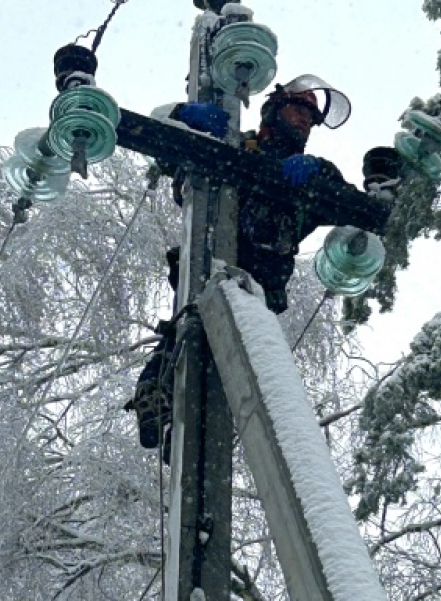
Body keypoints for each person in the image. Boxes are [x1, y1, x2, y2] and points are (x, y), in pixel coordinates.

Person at [127, 74, 356, 457]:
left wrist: (319, 173)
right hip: (207, 262)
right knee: (189, 329)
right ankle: (161, 395)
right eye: (298, 109)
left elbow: (351, 204)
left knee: (234, 358)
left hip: (257, 285)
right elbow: (158, 132)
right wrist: (184, 115)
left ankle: (189, 435)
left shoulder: (311, 176)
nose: (304, 121)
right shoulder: (232, 147)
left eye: (311, 118)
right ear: (275, 109)